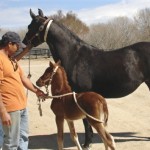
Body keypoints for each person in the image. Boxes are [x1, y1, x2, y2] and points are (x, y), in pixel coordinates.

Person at [0, 31, 46, 150]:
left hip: (22, 107)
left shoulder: (12, 60)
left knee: (23, 138)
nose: (19, 47)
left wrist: (37, 91)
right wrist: (3, 111)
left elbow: (23, 79)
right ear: (9, 44)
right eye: (17, 45)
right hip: (10, 108)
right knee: (11, 142)